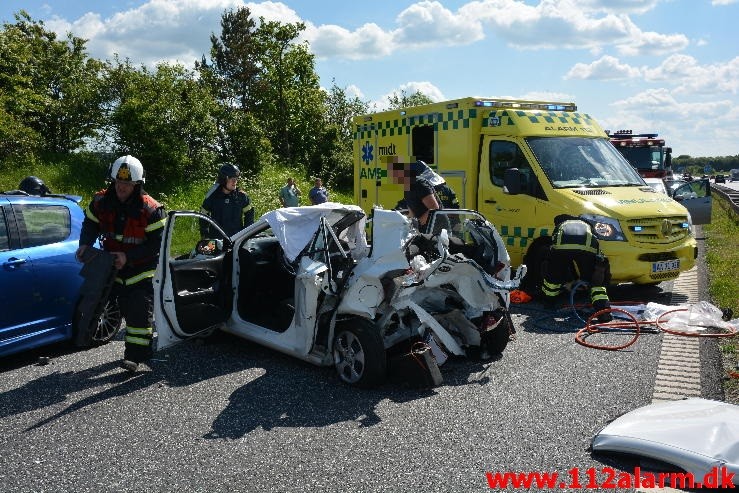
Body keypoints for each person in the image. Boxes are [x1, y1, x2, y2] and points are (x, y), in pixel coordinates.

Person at [75, 155, 166, 372]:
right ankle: (82, 339)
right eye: (118, 182)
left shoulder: (152, 209)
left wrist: (129, 257)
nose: (121, 188)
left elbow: (157, 245)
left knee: (138, 313)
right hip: (110, 265)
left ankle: (136, 356)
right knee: (93, 302)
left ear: (137, 184)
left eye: (127, 184)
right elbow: (90, 223)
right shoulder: (101, 201)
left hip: (141, 268)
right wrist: (85, 245)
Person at [541, 215, 612, 322]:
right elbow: (596, 246)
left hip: (561, 249)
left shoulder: (560, 225)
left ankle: (549, 305)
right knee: (596, 285)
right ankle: (603, 312)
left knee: (553, 279)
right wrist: (597, 273)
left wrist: (555, 268)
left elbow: (553, 245)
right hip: (586, 250)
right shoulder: (587, 225)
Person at [200, 163, 254, 237]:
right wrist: (205, 235)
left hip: (236, 240)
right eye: (231, 178)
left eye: (236, 178)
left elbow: (249, 216)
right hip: (216, 240)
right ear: (223, 179)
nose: (235, 181)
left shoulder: (241, 196)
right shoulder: (212, 196)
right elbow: (203, 216)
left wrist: (245, 235)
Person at [389, 161, 440, 232]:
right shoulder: (407, 189)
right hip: (424, 230)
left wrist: (419, 223)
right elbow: (412, 212)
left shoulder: (418, 184)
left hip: (436, 230)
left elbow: (434, 209)